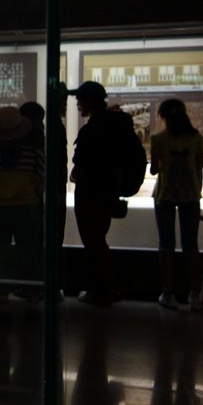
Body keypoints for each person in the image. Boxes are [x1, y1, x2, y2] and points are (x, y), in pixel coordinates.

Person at [69, 81, 139, 306]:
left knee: (93, 242)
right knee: (98, 240)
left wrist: (74, 176)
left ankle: (102, 291)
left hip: (90, 192)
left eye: (80, 100)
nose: (78, 104)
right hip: (109, 192)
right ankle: (107, 288)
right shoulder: (118, 126)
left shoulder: (92, 129)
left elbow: (80, 164)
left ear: (89, 101)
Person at [0, 106, 44, 306]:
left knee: (0, 254)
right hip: (26, 206)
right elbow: (41, 178)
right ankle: (32, 301)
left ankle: (2, 304)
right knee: (29, 253)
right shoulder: (33, 152)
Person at [149, 99, 203, 310]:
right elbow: (198, 167)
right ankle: (194, 296)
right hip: (190, 195)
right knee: (191, 246)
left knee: (166, 245)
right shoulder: (196, 138)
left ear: (164, 117)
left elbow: (154, 169)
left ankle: (168, 293)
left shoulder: (158, 139)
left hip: (165, 194)